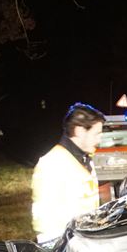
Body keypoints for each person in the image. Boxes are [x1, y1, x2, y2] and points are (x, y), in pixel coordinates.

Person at [31, 102, 105, 244]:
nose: (99, 139)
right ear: (80, 131)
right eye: (96, 134)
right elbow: (45, 220)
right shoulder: (52, 163)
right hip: (64, 245)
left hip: (84, 241)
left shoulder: (84, 159)